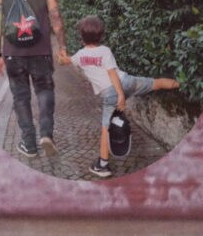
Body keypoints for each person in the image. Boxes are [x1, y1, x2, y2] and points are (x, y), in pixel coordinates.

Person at [69, 14, 181, 178]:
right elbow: (114, 73)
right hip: (128, 81)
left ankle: (102, 165)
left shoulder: (79, 56)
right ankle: (185, 85)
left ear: (81, 36)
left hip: (113, 92)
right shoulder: (105, 51)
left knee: (105, 129)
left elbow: (110, 74)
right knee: (156, 83)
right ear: (101, 35)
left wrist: (121, 96)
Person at [0, 0, 68, 160]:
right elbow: (55, 16)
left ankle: (29, 143)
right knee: (44, 90)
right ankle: (46, 134)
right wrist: (62, 47)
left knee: (20, 97)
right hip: (41, 49)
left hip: (13, 51)